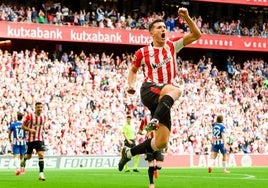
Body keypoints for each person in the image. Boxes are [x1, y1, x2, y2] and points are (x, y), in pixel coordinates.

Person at [118, 7, 201, 171]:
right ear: (152, 33)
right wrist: (130, 85)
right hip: (149, 90)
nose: (163, 29)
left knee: (161, 142)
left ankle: (128, 153)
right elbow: (133, 71)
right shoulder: (143, 52)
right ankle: (154, 120)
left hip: (164, 97)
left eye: (164, 27)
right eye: (159, 27)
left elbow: (196, 35)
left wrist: (187, 17)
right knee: (177, 90)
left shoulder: (172, 46)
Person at [20, 102, 48, 181]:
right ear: (35, 108)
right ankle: (24, 159)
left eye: (41, 107)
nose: (40, 109)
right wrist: (30, 130)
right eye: (38, 107)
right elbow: (22, 127)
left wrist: (46, 130)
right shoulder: (30, 116)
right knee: (29, 157)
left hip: (39, 139)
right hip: (30, 139)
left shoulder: (44, 117)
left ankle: (41, 174)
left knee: (41, 154)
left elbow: (43, 126)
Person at [138, 114, 164, 188]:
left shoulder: (160, 119)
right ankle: (151, 183)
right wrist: (144, 132)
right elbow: (139, 131)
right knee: (151, 165)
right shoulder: (145, 119)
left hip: (159, 143)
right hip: (149, 144)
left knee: (159, 166)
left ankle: (156, 169)